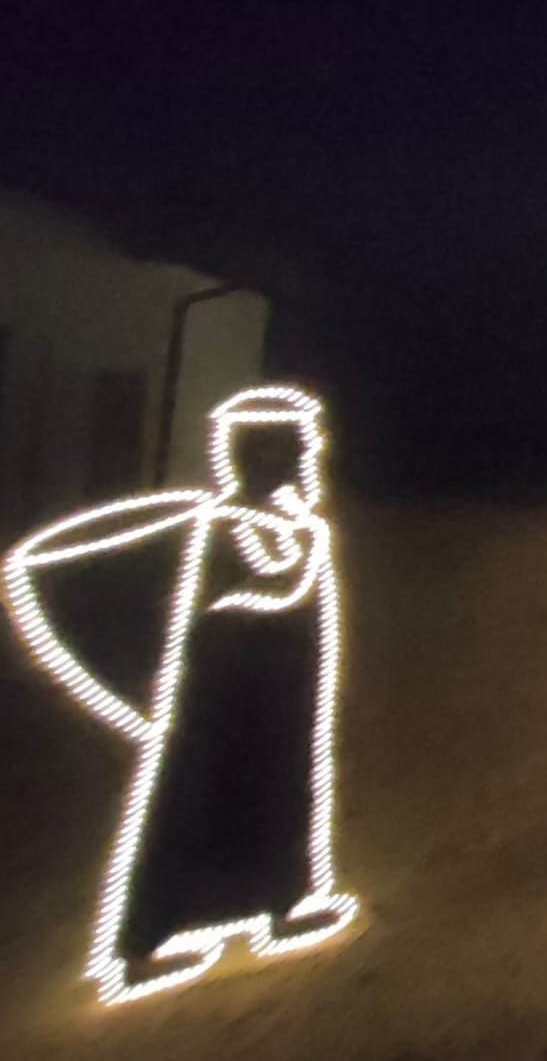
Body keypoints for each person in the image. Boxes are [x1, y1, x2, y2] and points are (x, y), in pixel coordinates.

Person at [3, 386, 356, 1004]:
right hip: (217, 704)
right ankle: (145, 941)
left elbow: (293, 600)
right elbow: (51, 563)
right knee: (188, 805)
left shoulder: (301, 529)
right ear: (265, 457)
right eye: (300, 449)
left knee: (280, 795)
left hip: (284, 703)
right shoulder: (218, 525)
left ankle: (284, 902)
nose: (313, 456)